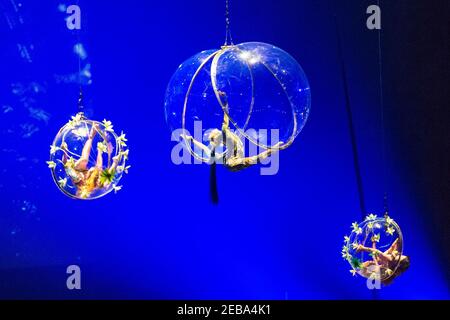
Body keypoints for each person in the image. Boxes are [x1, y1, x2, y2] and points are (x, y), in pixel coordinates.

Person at [180, 91, 283, 171]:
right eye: (215, 137)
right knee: (252, 159)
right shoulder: (223, 153)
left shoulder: (224, 134)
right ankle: (274, 149)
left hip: (232, 157)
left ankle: (273, 149)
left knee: (250, 157)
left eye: (216, 134)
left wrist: (225, 102)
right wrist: (191, 140)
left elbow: (226, 117)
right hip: (232, 163)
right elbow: (204, 148)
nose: (216, 134)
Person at [60, 123, 122, 198]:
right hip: (87, 173)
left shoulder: (77, 178)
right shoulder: (94, 183)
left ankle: (91, 136)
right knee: (104, 181)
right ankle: (115, 162)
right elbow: (99, 166)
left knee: (84, 160)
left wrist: (64, 152)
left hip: (79, 169)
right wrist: (100, 152)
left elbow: (66, 166)